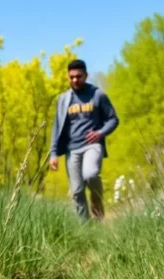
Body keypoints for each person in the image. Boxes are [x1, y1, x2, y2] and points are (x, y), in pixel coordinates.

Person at [48, 59, 119, 221]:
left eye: (78, 76)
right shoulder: (63, 99)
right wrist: (53, 154)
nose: (75, 80)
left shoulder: (97, 94)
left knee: (91, 174)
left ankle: (97, 201)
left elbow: (113, 119)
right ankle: (85, 229)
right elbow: (56, 127)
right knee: (77, 191)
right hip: (72, 150)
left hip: (93, 146)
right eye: (71, 77)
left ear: (86, 76)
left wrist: (100, 133)